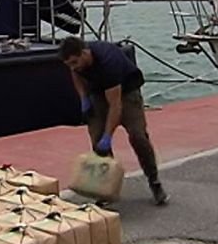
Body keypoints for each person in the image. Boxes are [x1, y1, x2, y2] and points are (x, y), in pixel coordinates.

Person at [58, 36, 169, 205]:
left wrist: (108, 136)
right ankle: (105, 188)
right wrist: (83, 98)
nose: (73, 67)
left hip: (126, 93)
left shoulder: (108, 63)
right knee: (97, 140)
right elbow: (76, 74)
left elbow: (115, 106)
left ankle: (154, 181)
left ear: (85, 53)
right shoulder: (77, 63)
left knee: (138, 136)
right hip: (98, 93)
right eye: (69, 64)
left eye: (74, 62)